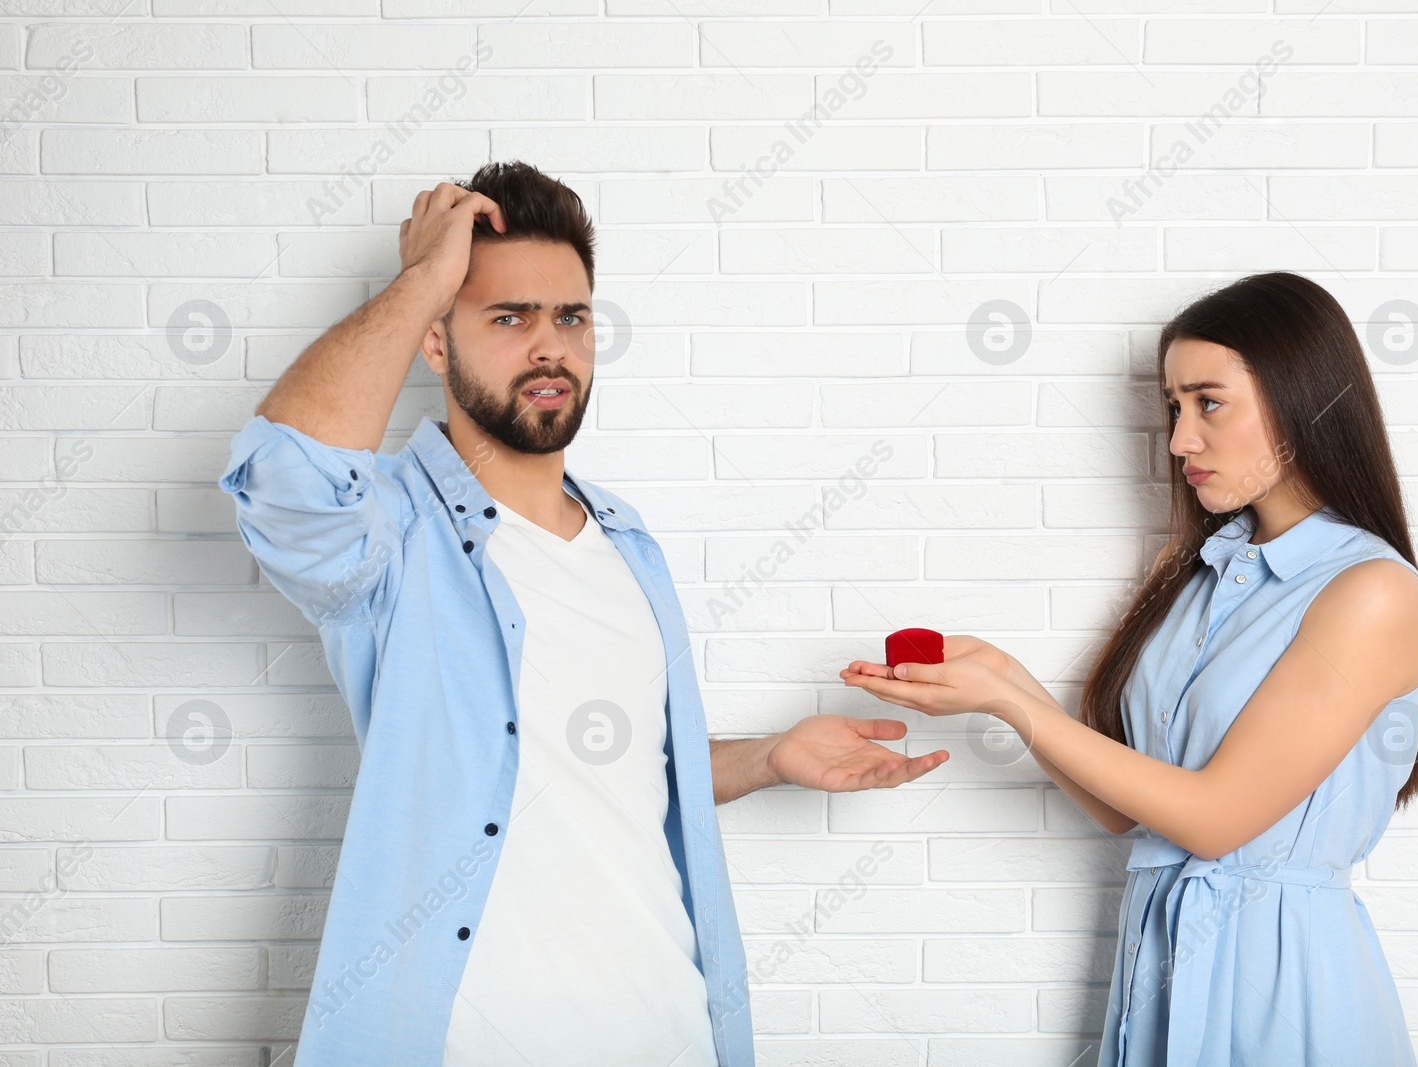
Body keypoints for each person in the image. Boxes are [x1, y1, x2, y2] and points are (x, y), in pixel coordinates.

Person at [217, 160, 950, 1066]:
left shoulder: (628, 544)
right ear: (436, 343)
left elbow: (597, 768)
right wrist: (422, 282)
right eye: (507, 317)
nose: (548, 346)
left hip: (672, 1032)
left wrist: (767, 757)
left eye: (569, 316)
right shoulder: (393, 537)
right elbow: (288, 481)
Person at [843, 271, 1418, 1066]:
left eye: (1209, 402)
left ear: (1303, 401)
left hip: (1281, 982)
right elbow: (1134, 809)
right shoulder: (1204, 576)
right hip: (1158, 961)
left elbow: (1214, 818)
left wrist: (1022, 709)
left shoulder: (1372, 592)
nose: (1180, 438)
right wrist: (1005, 685)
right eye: (1172, 407)